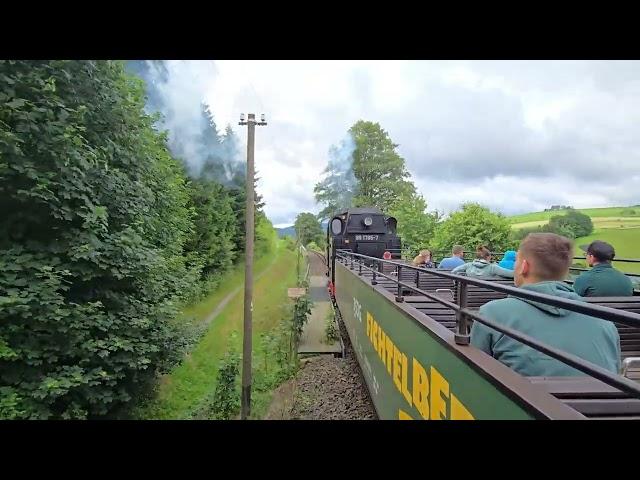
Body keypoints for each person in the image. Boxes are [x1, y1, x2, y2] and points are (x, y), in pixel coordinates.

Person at [471, 233, 621, 377]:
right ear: (566, 270)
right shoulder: (605, 323)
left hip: (520, 401)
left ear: (524, 266)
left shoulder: (492, 314)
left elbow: (475, 373)